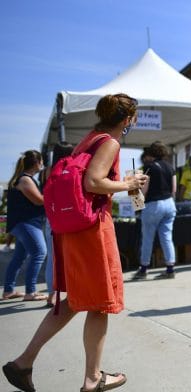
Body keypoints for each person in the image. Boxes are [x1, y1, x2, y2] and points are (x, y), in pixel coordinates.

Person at [2, 93, 147, 392]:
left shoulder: (90, 139)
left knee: (74, 302)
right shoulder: (110, 142)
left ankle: (23, 363)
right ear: (127, 118)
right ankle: (92, 379)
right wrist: (129, 184)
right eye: (133, 117)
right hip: (93, 229)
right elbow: (93, 182)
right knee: (99, 303)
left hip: (74, 228)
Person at [2, 150, 48, 302]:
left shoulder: (24, 179)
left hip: (24, 223)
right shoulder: (25, 180)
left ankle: (8, 291)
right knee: (39, 252)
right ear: (36, 163)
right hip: (26, 223)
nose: (42, 164)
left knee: (19, 257)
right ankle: (31, 292)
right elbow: (38, 200)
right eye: (41, 161)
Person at [133, 141, 177, 280]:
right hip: (169, 203)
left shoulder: (148, 167)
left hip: (154, 205)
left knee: (147, 238)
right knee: (166, 237)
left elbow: (143, 191)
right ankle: (170, 268)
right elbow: (174, 189)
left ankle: (143, 269)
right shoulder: (170, 167)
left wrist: (137, 206)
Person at [40, 142, 74, 307]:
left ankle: (52, 294)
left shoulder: (48, 170)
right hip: (69, 216)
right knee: (71, 254)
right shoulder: (72, 167)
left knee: (52, 258)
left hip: (52, 217)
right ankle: (70, 290)